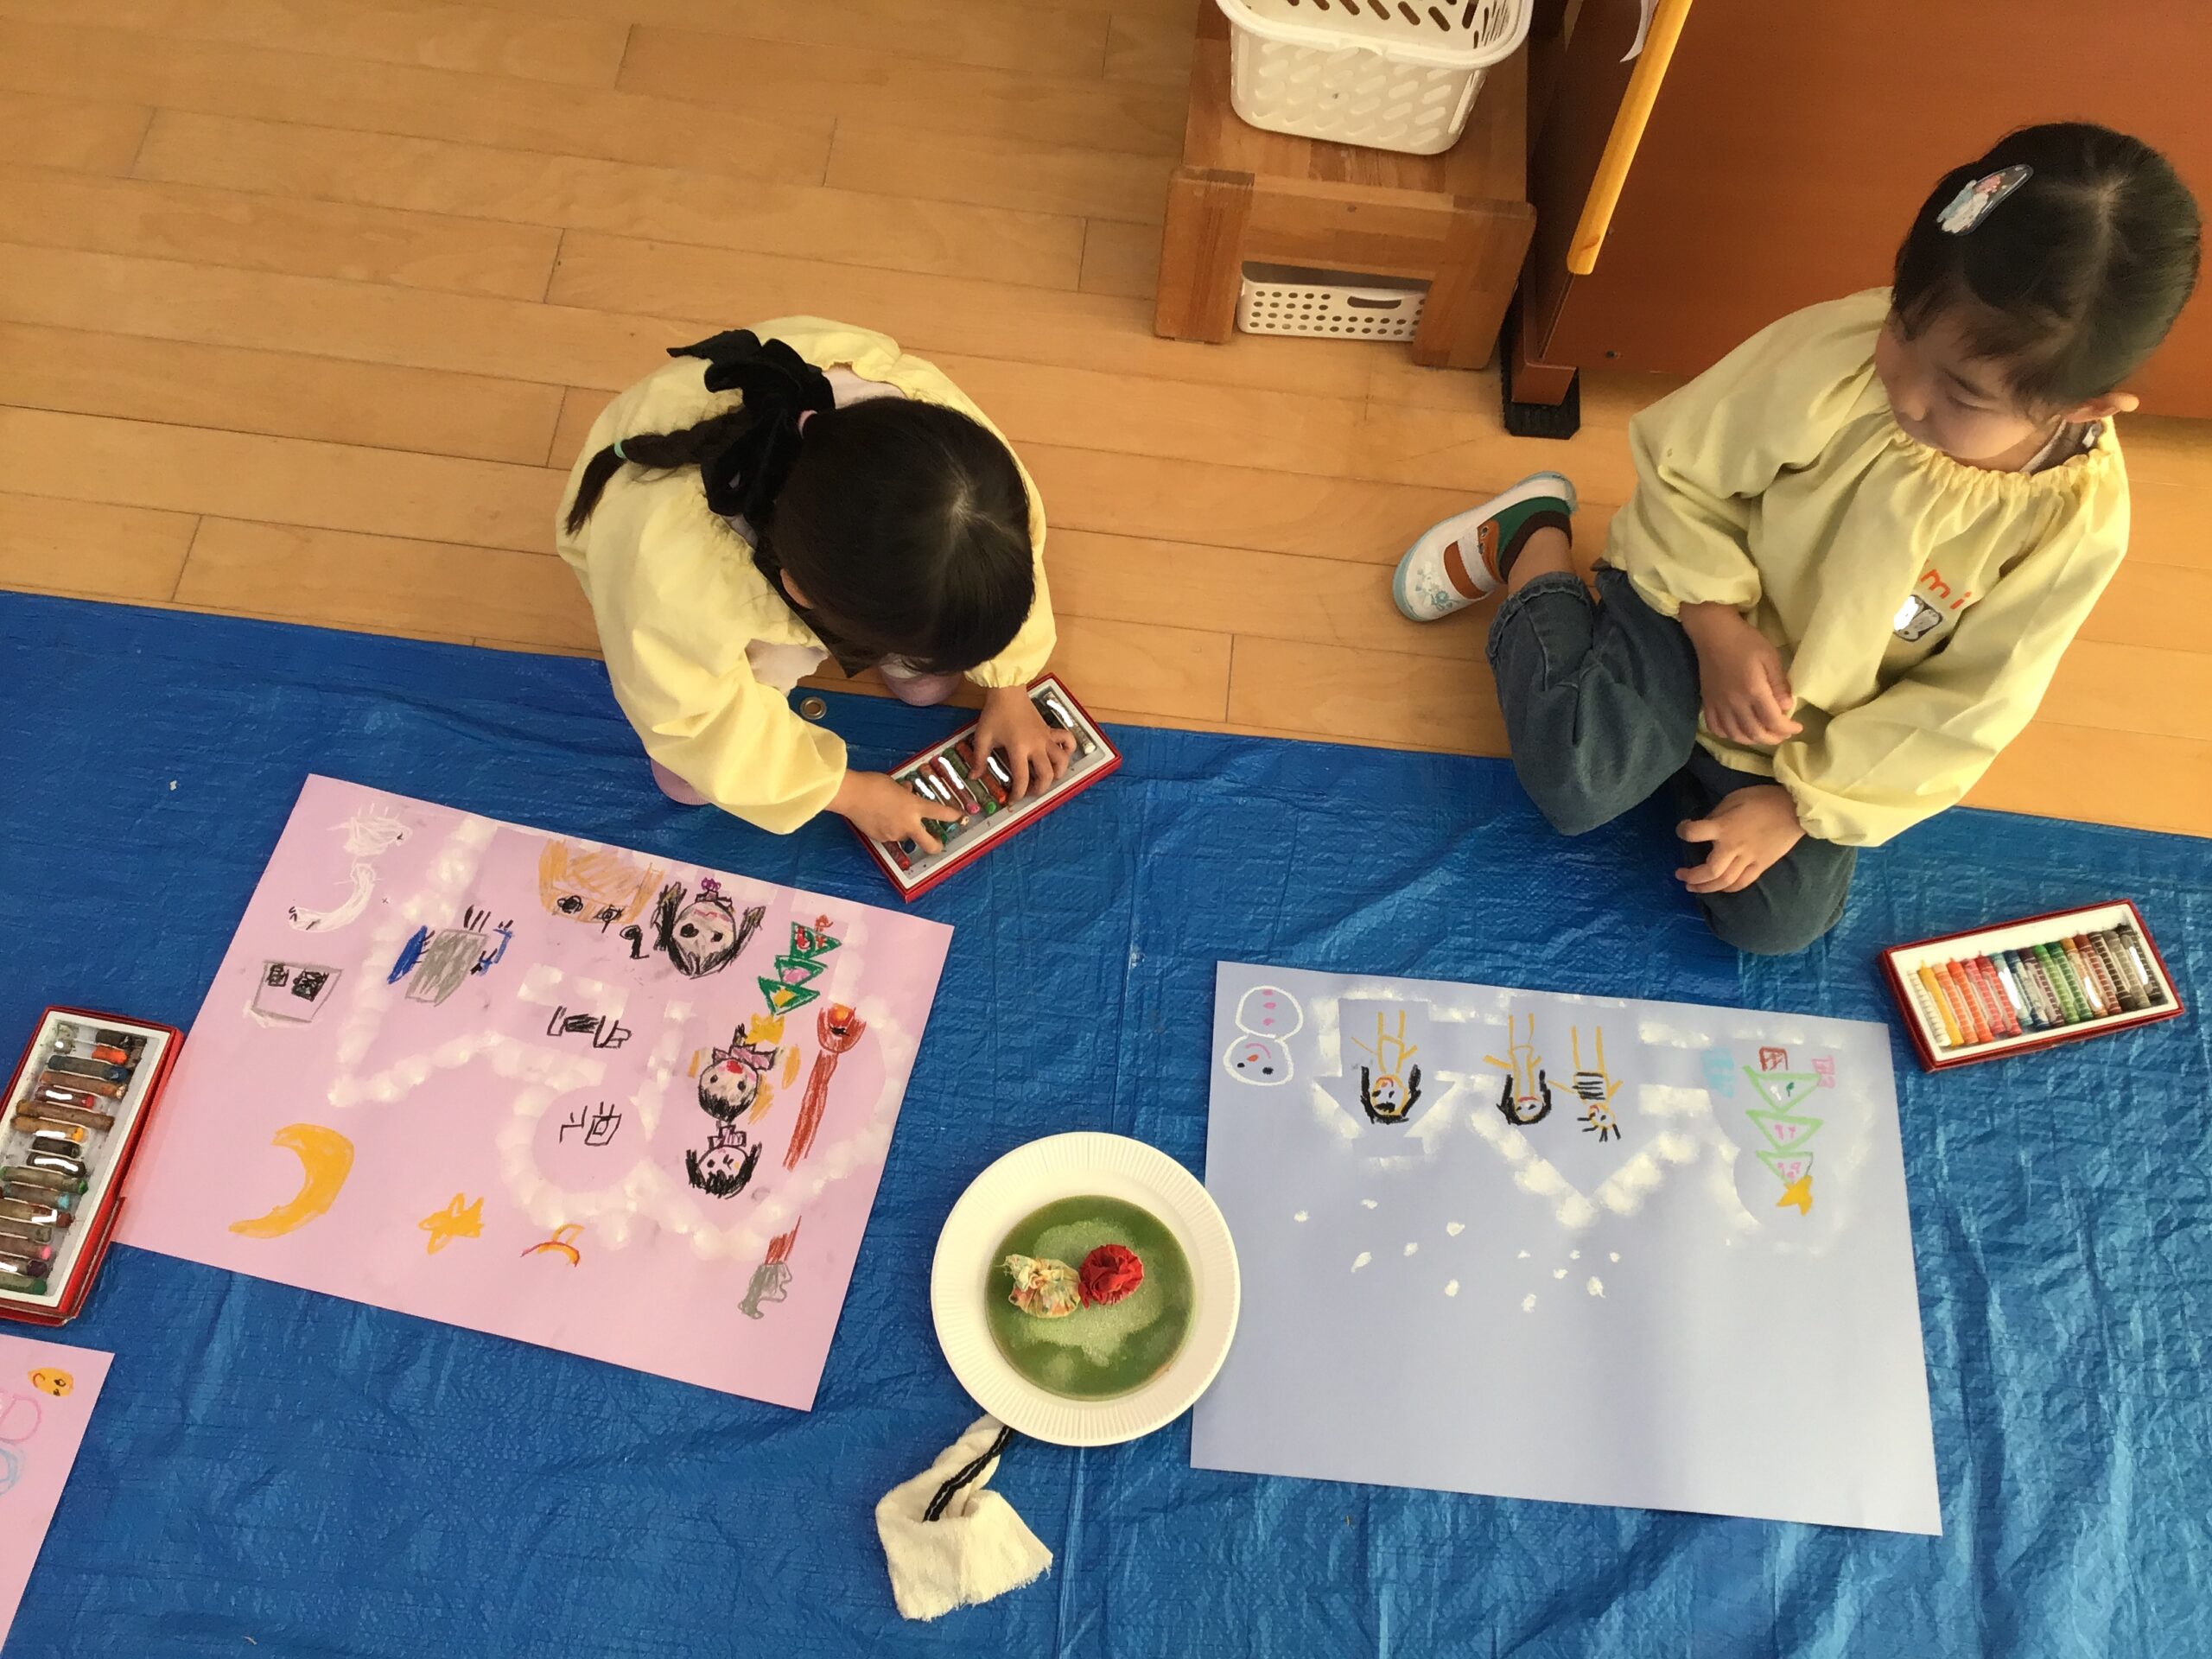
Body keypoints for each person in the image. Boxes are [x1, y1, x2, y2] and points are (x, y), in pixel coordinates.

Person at [1391, 123, 2202, 953]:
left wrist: (1799, 805)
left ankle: (1684, 760)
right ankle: (1532, 538)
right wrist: (1713, 623)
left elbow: (1971, 704)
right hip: (1693, 606)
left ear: (2084, 408)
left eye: (1961, 394)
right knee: (1581, 778)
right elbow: (1683, 469)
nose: (1907, 394)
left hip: (1816, 722)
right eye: (1901, 330)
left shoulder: (2073, 529)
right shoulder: (1832, 355)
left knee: (1779, 926)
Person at [556, 319, 1073, 851]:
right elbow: (692, 718)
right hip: (682, 562)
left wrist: (1009, 689)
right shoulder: (673, 583)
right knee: (691, 773)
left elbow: (998, 564)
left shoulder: (961, 472)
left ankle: (914, 634)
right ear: (801, 596)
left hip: (823, 536)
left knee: (934, 619)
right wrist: (849, 794)